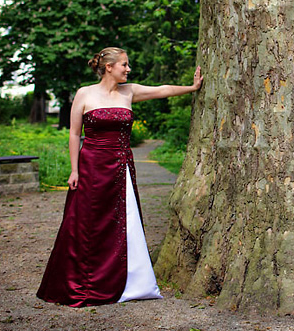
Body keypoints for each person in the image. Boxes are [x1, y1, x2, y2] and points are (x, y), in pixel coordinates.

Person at [37, 47, 203, 307]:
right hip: (91, 166)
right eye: (124, 65)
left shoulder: (130, 91)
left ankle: (129, 280)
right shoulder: (84, 94)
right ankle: (84, 281)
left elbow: (162, 89)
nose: (128, 69)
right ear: (109, 67)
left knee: (122, 221)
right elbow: (73, 134)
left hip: (120, 167)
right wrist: (74, 169)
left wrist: (191, 88)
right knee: (86, 223)